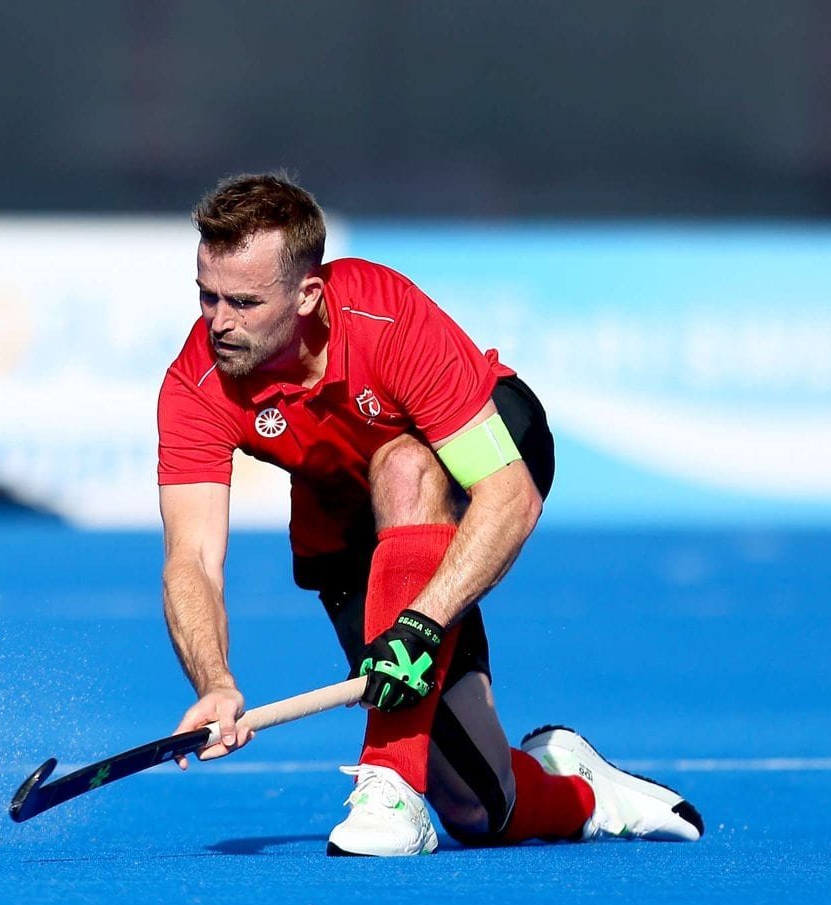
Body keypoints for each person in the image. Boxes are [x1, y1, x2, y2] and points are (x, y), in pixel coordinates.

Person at [156, 173, 703, 856]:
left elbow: (512, 495)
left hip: (485, 456)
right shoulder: (196, 384)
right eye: (206, 296)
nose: (218, 321)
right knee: (480, 806)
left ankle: (388, 785)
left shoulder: (385, 319)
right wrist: (215, 681)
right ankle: (580, 785)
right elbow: (193, 558)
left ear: (307, 295)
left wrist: (422, 621)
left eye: (243, 300)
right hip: (349, 520)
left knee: (404, 465)